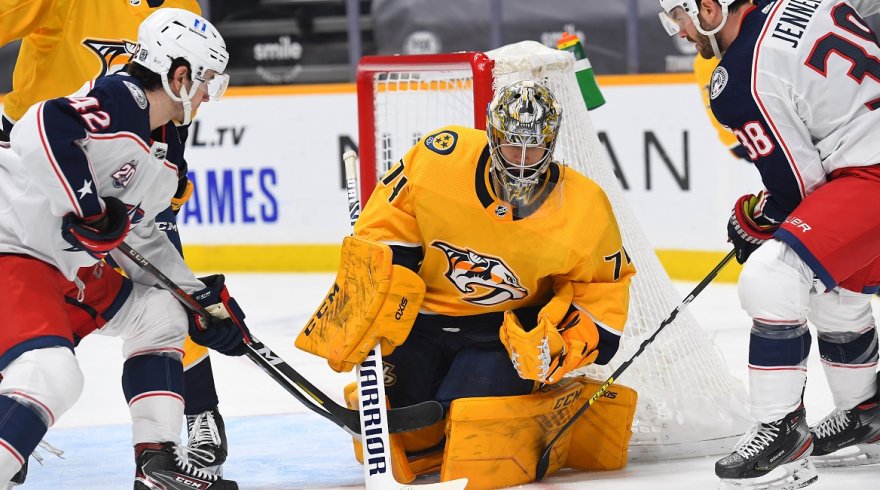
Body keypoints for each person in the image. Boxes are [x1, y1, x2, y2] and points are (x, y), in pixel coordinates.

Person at [296, 80, 638, 487]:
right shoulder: (440, 160)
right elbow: (385, 234)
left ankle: (557, 400)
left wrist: (556, 347)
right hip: (421, 321)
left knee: (471, 425)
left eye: (535, 147)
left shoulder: (584, 207)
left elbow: (602, 294)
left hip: (502, 332)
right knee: (409, 427)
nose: (524, 161)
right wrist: (374, 300)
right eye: (513, 145)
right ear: (492, 135)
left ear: (552, 142)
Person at [0, 8, 248, 489]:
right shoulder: (122, 96)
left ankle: (156, 462)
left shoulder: (166, 141)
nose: (207, 95)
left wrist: (198, 299)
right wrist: (89, 210)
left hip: (59, 263)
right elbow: (42, 125)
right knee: (51, 373)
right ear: (180, 75)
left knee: (161, 313)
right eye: (207, 82)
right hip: (14, 245)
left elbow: (139, 234)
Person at [659, 0, 880, 488]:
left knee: (772, 274)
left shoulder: (736, 78)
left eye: (678, 17)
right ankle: (863, 419)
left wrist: (760, 219)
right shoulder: (796, 5)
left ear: (708, 8)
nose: (679, 32)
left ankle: (782, 434)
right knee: (838, 296)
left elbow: (796, 190)